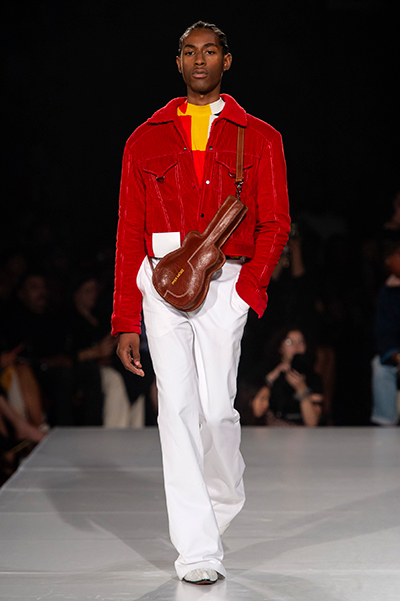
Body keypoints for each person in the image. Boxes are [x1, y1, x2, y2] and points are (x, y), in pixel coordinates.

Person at [112, 21, 290, 585]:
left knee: (216, 412)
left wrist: (247, 289)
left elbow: (276, 222)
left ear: (226, 61)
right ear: (178, 61)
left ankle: (222, 499)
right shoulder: (144, 139)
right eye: (189, 51)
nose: (198, 60)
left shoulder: (259, 137)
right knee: (177, 412)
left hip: (225, 281)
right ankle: (197, 552)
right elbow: (128, 232)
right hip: (159, 279)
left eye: (209, 51)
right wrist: (125, 317)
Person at [244, 327, 324, 427]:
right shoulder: (266, 372)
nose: (296, 346)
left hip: (300, 431)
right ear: (280, 347)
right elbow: (251, 408)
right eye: (290, 342)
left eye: (301, 342)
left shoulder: (314, 378)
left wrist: (302, 390)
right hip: (269, 430)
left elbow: (312, 423)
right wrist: (271, 378)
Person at [370, 236, 400, 426]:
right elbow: (384, 332)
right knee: (380, 367)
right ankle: (385, 423)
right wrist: (397, 356)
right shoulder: (387, 293)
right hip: (397, 354)